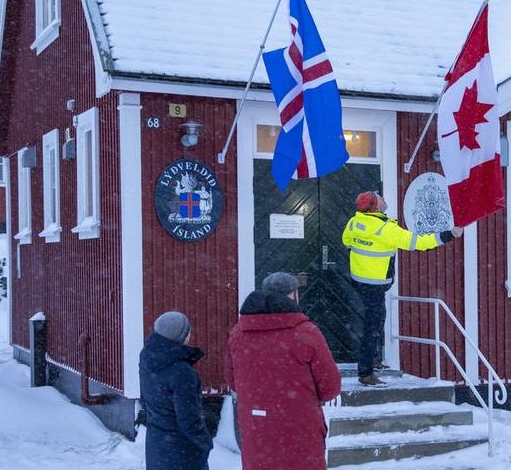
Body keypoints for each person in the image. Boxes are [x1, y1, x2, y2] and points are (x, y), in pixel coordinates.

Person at [342, 191, 462, 386]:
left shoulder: (354, 222)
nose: (382, 196)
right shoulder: (386, 230)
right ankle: (365, 373)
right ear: (376, 206)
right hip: (375, 285)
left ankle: (372, 358)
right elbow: (420, 243)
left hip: (359, 282)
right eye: (378, 197)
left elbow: (347, 242)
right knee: (373, 327)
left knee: (372, 323)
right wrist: (449, 234)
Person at [226, 272, 341, 470]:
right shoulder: (305, 333)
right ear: (294, 295)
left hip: (257, 428)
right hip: (299, 427)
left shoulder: (239, 333)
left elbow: (233, 380)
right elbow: (330, 386)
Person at [139, 311, 212, 470]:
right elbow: (188, 420)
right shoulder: (182, 372)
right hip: (182, 452)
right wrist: (205, 442)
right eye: (188, 330)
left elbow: (145, 399)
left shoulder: (147, 357)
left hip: (156, 445)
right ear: (182, 336)